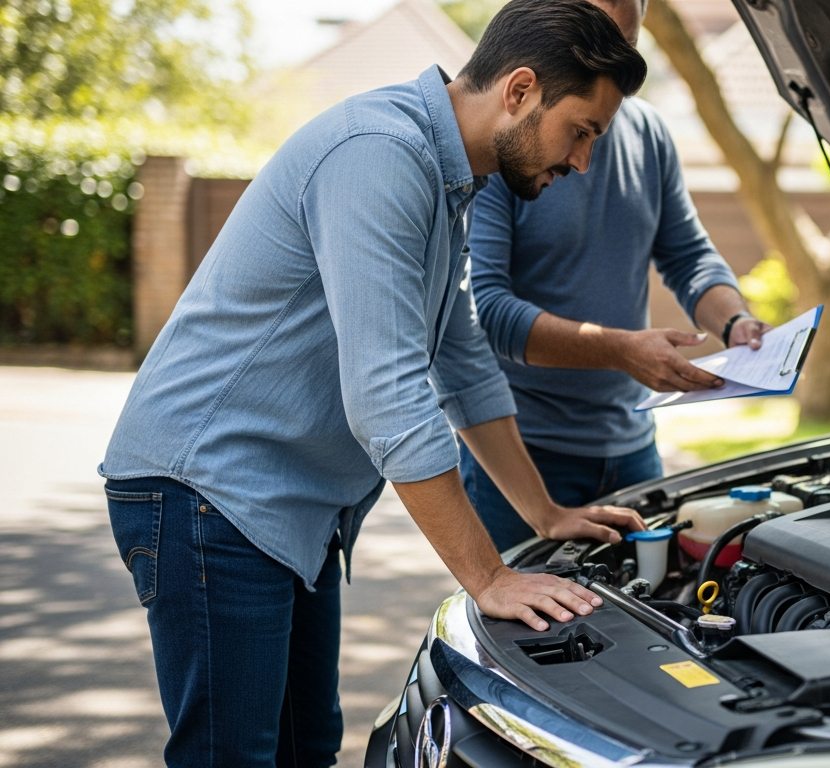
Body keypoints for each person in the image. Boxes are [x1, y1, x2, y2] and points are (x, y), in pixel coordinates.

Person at [97, 1, 647, 764]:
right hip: (208, 491)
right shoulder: (380, 154)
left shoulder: (452, 176)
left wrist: (545, 513)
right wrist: (487, 577)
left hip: (288, 504)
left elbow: (460, 358)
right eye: (581, 132)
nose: (582, 162)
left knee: (309, 745)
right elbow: (389, 397)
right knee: (236, 756)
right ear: (520, 89)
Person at [464, 0, 770, 552]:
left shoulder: (650, 133)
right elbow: (486, 310)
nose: (606, 51)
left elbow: (687, 254)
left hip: (634, 449)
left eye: (622, 39)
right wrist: (620, 350)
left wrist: (736, 321)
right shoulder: (506, 143)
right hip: (523, 456)